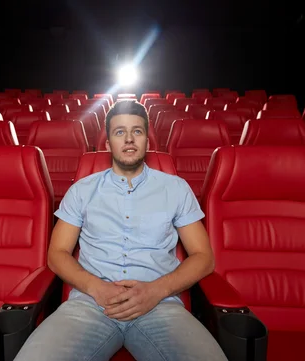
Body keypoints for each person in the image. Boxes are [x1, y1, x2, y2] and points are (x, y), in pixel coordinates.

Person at [14, 100, 227, 361]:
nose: (129, 139)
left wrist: (155, 291)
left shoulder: (176, 188)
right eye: (119, 132)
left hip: (158, 305)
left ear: (148, 141)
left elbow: (203, 257)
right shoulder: (82, 190)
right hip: (91, 305)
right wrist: (97, 288)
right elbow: (57, 254)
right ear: (107, 144)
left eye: (137, 131)